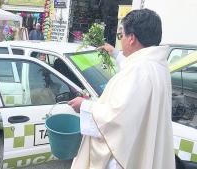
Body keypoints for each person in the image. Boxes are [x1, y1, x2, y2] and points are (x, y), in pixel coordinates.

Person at [68, 9, 175, 169]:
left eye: (121, 36)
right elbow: (132, 67)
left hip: (121, 158)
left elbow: (115, 118)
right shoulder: (157, 66)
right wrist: (116, 54)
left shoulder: (138, 72)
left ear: (131, 38)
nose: (121, 40)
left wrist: (84, 106)